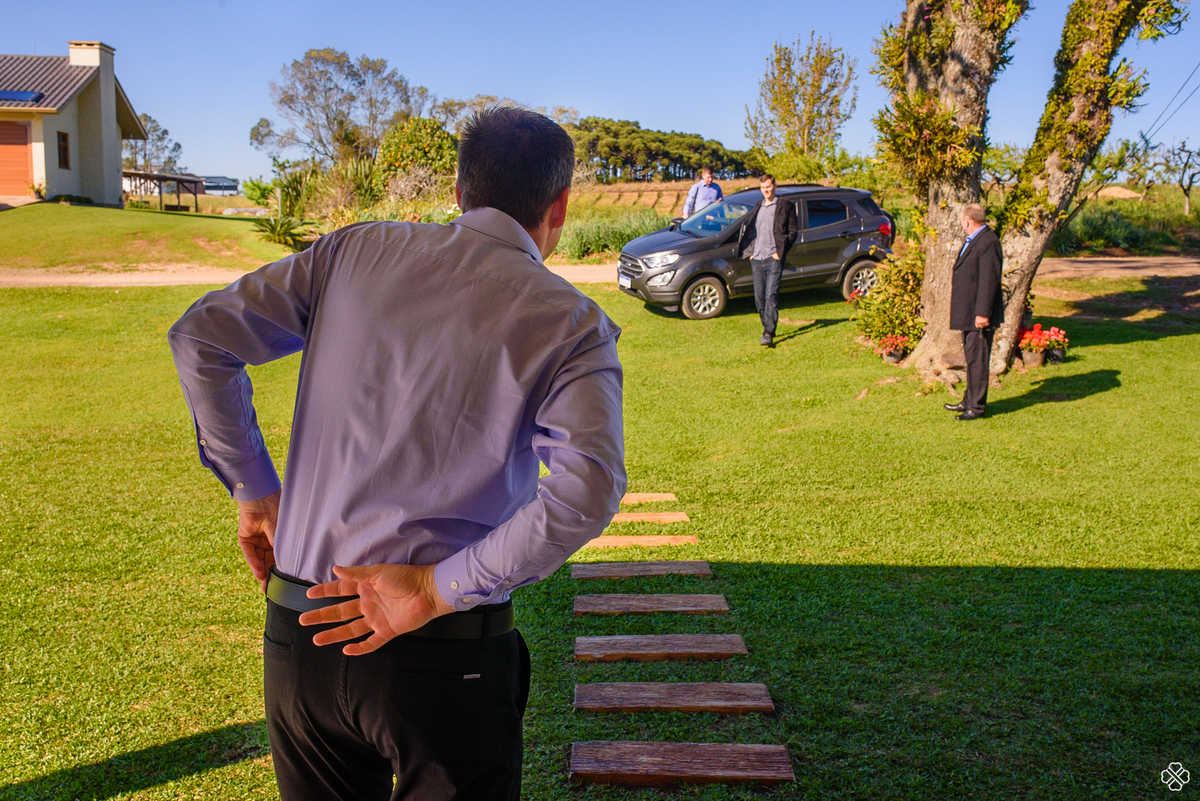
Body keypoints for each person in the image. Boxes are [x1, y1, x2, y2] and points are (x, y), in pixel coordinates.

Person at [168, 106, 626, 801]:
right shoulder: (572, 322)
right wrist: (435, 590)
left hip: (303, 633)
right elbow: (586, 491)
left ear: (461, 189)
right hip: (446, 655)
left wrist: (254, 488)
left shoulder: (353, 252)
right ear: (559, 206)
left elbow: (203, 337)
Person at [944, 202, 1004, 421]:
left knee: (978, 359)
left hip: (978, 314)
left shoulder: (988, 241)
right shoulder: (974, 239)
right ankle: (968, 400)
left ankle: (976, 407)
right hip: (968, 311)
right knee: (971, 358)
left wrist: (983, 313)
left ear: (967, 220)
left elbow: (989, 280)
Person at [736, 174, 799, 346]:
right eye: (763, 188)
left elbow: (793, 232)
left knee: (771, 294)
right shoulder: (759, 206)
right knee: (759, 298)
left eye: (768, 187)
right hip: (757, 258)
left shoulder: (785, 205)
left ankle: (768, 333)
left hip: (773, 258)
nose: (766, 190)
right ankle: (768, 326)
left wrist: (780, 252)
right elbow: (752, 231)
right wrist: (751, 253)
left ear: (774, 186)